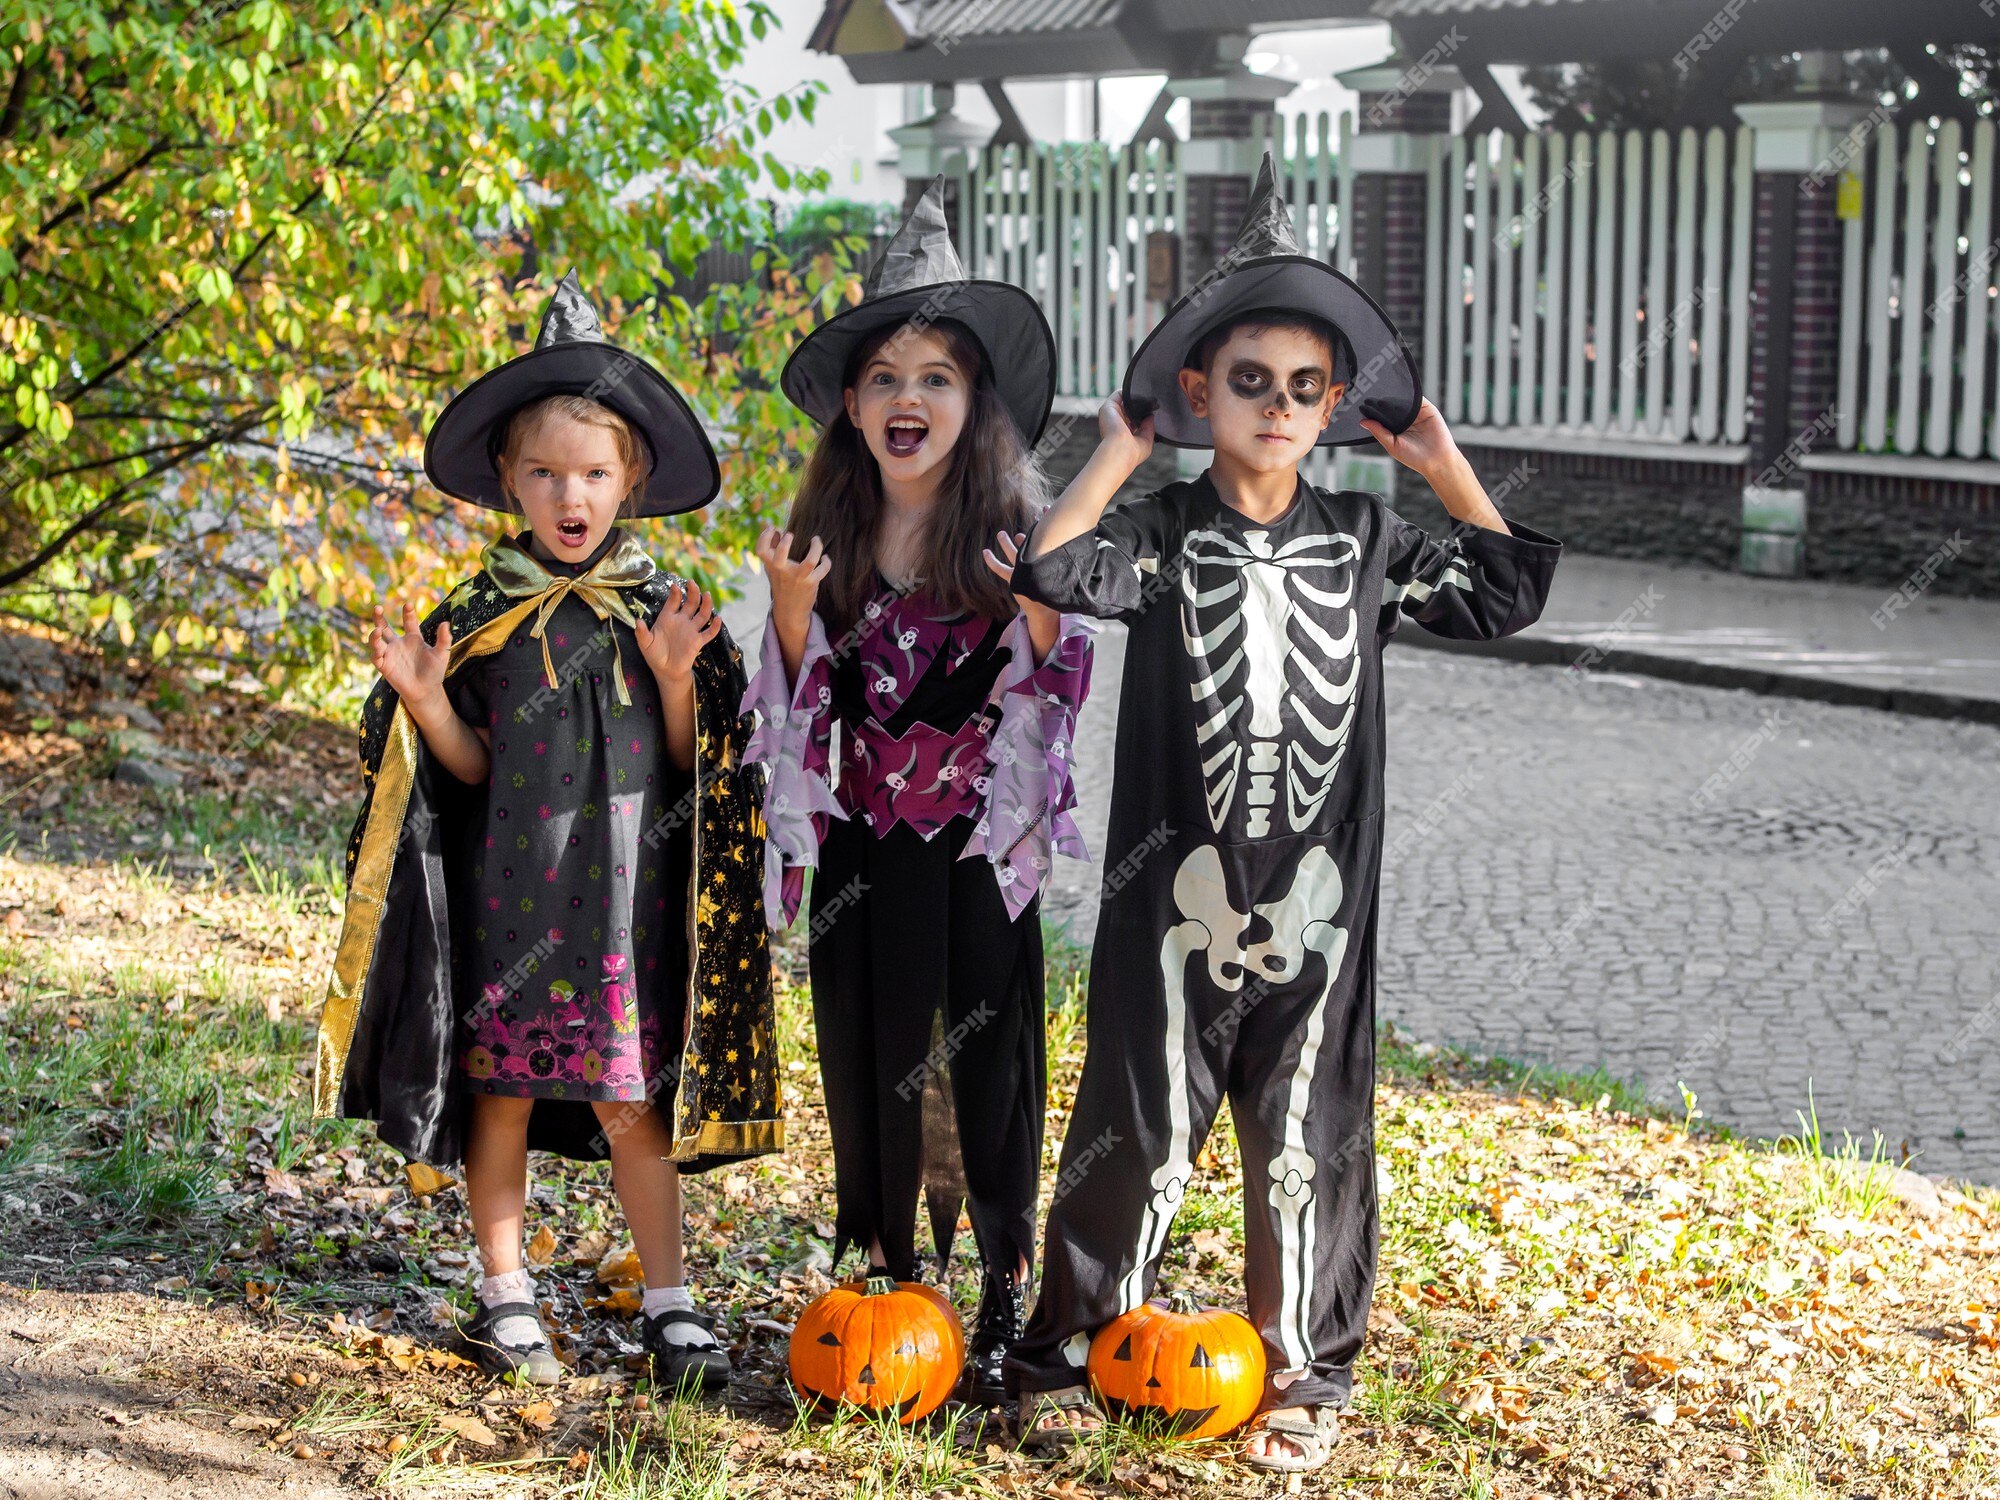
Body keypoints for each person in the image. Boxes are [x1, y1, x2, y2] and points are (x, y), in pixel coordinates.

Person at [1001, 156, 1564, 1472]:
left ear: (1331, 410)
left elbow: (1503, 593)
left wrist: (1437, 457)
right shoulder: (1161, 530)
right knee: (1137, 1121)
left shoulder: (1367, 541)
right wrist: (1120, 447)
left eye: (1307, 389)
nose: (1280, 407)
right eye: (1250, 382)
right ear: (1204, 396)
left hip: (1318, 900)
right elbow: (1050, 566)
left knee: (1306, 1136)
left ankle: (1302, 1373)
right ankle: (1068, 1349)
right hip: (1172, 897)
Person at [312, 272, 780, 1390]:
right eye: (544, 472)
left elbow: (693, 769)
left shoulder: (663, 613)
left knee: (631, 1103)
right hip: (512, 898)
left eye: (593, 472)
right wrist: (427, 700)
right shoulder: (483, 621)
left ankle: (668, 1301)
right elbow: (470, 772)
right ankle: (505, 1291)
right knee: (504, 1091)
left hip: (628, 910)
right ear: (507, 482)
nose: (570, 494)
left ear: (632, 481)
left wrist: (675, 680)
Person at [742, 178, 1093, 1406]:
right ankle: (886, 1269)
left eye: (935, 376)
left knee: (981, 1058)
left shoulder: (1013, 534)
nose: (908, 398)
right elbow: (784, 725)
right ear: (849, 404)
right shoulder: (823, 533)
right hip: (864, 850)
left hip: (976, 854)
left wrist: (1044, 618)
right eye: (884, 376)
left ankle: (997, 1287)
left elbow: (1060, 705)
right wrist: (791, 624)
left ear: (972, 402)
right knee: (871, 1046)